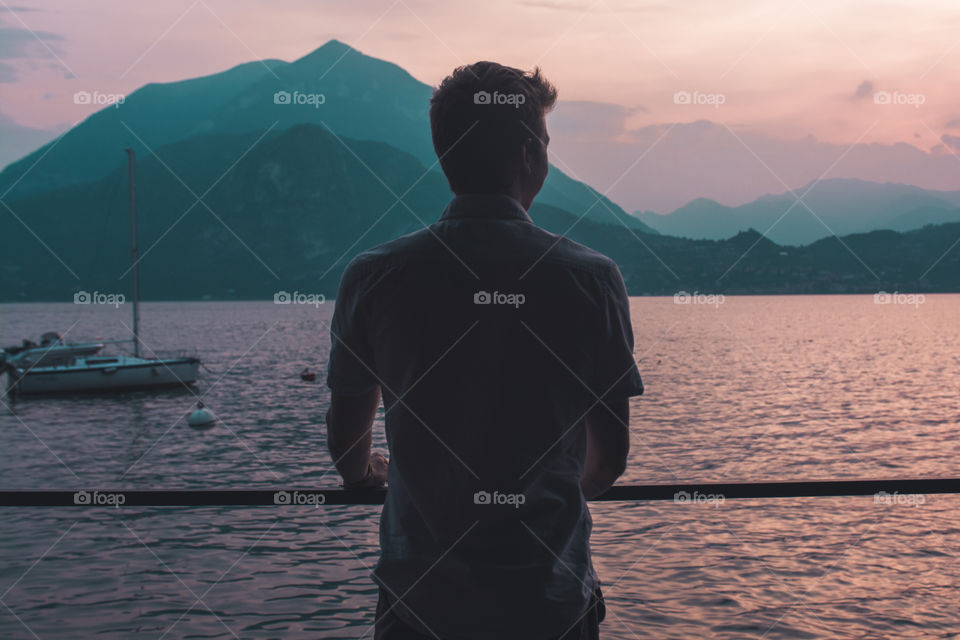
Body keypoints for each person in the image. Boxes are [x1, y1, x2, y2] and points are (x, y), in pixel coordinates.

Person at [325, 61, 644, 640]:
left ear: (446, 152)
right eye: (544, 144)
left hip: (420, 605)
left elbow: (346, 447)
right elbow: (610, 459)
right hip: (548, 603)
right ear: (528, 154)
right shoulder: (591, 278)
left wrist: (371, 471)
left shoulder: (373, 276)